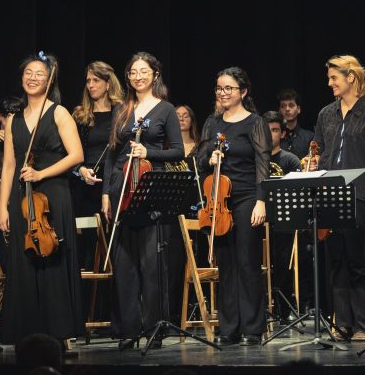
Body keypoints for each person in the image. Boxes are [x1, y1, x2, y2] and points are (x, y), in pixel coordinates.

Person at [0, 51, 85, 344]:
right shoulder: (12, 120)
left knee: (53, 261)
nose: (33, 78)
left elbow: (76, 156)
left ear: (49, 80)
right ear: (21, 78)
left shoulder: (58, 112)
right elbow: (9, 165)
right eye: (28, 73)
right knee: (24, 261)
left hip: (53, 195)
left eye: (39, 74)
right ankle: (29, 332)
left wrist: (41, 174)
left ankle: (59, 331)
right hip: (21, 200)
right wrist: (3, 208)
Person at [308, 55, 365, 341]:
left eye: (334, 77)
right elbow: (319, 151)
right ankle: (342, 323)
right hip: (329, 192)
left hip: (358, 194)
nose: (330, 82)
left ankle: (363, 326)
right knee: (336, 261)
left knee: (356, 260)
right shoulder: (326, 114)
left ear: (351, 78)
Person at [101, 52, 184, 349]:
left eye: (143, 71)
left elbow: (178, 151)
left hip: (150, 189)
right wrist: (105, 195)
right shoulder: (122, 109)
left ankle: (154, 328)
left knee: (151, 263)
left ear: (155, 75)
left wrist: (150, 154)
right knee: (123, 264)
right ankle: (128, 329)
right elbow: (112, 153)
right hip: (120, 189)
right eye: (133, 72)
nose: (137, 76)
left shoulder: (166, 110)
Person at [196, 67, 271, 344]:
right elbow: (200, 159)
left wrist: (262, 202)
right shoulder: (212, 124)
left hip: (247, 197)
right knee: (225, 263)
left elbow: (263, 164)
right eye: (219, 88)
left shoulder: (255, 123)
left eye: (228, 88)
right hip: (218, 201)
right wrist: (210, 159)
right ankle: (229, 328)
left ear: (243, 92)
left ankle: (252, 328)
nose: (223, 93)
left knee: (247, 262)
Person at [70, 61, 124, 219]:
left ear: (108, 83)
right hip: (87, 182)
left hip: (115, 181)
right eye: (88, 81)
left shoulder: (122, 112)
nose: (91, 85)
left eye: (96, 80)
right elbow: (70, 153)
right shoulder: (80, 115)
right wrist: (81, 170)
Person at [263, 110, 303, 319]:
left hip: (284, 221)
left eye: (276, 130)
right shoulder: (255, 160)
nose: (271, 135)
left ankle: (285, 307)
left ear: (283, 134)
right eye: (267, 130)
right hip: (260, 220)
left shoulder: (290, 160)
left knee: (283, 264)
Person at [277, 88, 314, 159]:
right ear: (279, 110)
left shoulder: (310, 137)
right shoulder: (275, 137)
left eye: (291, 105)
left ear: (298, 109)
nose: (287, 109)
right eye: (283, 106)